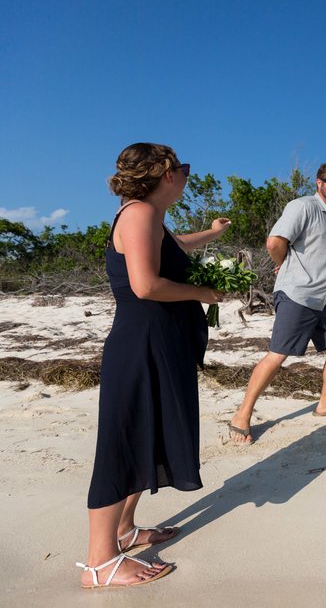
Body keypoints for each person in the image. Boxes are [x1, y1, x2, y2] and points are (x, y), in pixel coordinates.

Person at [78, 143, 228, 588]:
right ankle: (99, 563)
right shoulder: (139, 213)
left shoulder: (149, 218)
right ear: (165, 174)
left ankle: (124, 530)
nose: (186, 174)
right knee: (122, 445)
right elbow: (145, 285)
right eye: (182, 167)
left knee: (147, 435)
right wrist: (203, 294)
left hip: (156, 345)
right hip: (140, 346)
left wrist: (211, 234)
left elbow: (173, 246)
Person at [228, 163, 326, 445]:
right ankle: (242, 415)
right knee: (278, 354)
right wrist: (284, 264)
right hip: (297, 292)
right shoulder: (303, 207)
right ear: (319, 182)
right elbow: (274, 242)